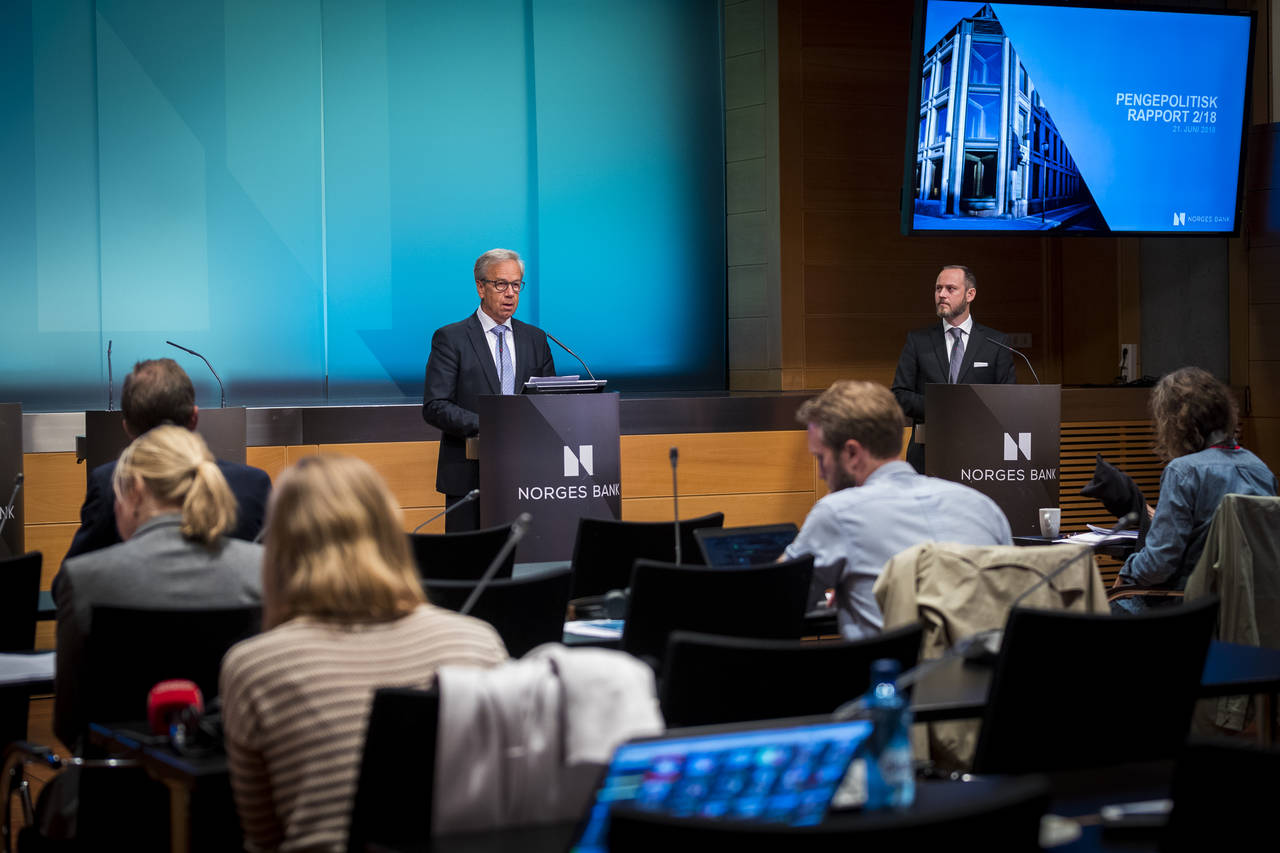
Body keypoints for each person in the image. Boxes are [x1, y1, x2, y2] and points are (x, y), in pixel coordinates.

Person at [220, 455, 508, 852]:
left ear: (278, 547)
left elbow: (264, 837)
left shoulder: (257, 666)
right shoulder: (479, 643)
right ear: (392, 532)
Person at [54, 426, 263, 751]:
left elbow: (69, 725)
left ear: (135, 490)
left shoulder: (84, 579)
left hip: (115, 788)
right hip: (231, 789)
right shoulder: (261, 570)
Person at [784, 380, 1012, 640]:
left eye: (820, 458)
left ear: (851, 453)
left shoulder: (839, 513)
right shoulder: (983, 507)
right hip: (983, 675)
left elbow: (779, 602)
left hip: (892, 677)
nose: (821, 473)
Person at [62, 357, 271, 564]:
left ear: (127, 427)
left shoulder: (111, 484)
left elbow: (70, 585)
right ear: (194, 418)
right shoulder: (253, 485)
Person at [1112, 367, 1277, 613]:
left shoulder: (1184, 472)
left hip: (1186, 605)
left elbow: (1159, 565)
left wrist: (1128, 570)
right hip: (1248, 609)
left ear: (1176, 423)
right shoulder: (1260, 469)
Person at [422, 249, 556, 531]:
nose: (510, 293)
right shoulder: (451, 338)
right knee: (471, 566)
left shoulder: (535, 339)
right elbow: (436, 406)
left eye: (516, 284)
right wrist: (492, 425)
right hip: (470, 475)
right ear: (480, 287)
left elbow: (550, 400)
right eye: (501, 284)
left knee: (525, 563)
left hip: (527, 475)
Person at [891, 265, 1017, 473]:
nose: (941, 294)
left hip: (980, 455)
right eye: (937, 288)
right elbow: (900, 395)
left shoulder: (995, 343)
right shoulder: (918, 341)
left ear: (970, 294)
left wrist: (964, 410)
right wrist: (947, 407)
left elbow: (1008, 397)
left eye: (950, 289)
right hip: (927, 454)